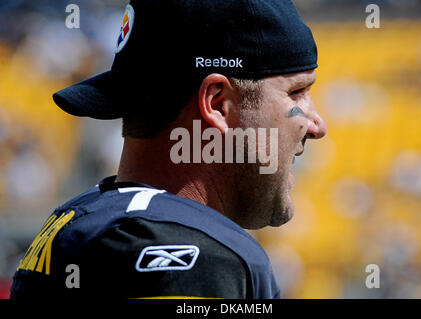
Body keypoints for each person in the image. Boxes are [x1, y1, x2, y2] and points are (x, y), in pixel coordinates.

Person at [10, 0, 326, 299]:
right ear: (218, 103)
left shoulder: (71, 222)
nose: (317, 125)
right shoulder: (197, 253)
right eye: (297, 91)